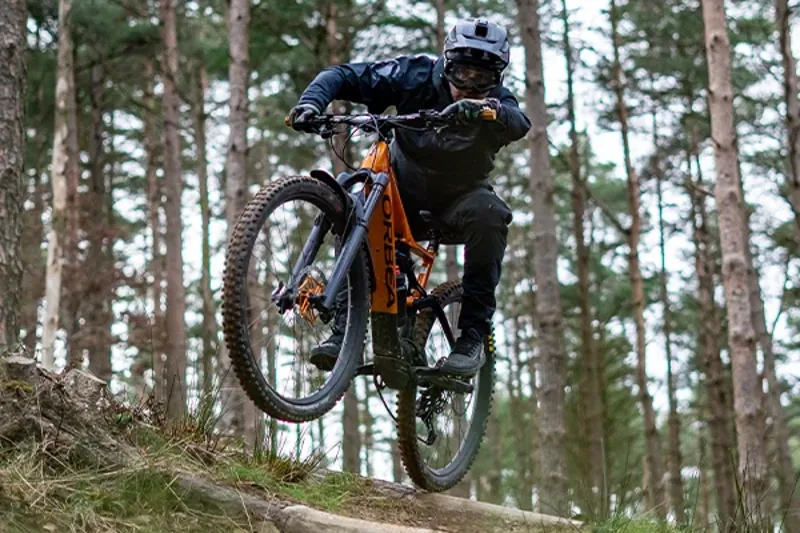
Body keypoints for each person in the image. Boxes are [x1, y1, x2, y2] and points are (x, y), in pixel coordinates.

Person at [288, 18, 531, 377]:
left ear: (495, 78)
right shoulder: (414, 75)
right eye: (461, 73)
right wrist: (311, 104)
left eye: (481, 79)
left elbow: (518, 121)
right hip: (399, 200)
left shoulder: (495, 102)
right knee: (355, 198)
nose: (469, 85)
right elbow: (342, 75)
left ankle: (472, 337)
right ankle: (343, 332)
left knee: (490, 214)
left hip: (458, 206)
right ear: (446, 63)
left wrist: (484, 110)